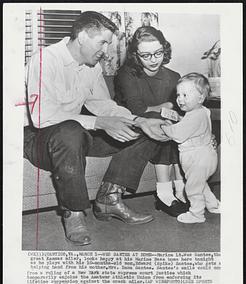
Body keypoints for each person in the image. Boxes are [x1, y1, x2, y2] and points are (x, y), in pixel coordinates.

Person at [24, 11, 172, 246]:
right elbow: (42, 116)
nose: (105, 50)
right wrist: (99, 123)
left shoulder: (92, 67)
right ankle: (73, 212)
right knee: (70, 130)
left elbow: (103, 105)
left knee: (147, 126)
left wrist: (140, 120)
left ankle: (108, 198)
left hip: (79, 135)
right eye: (102, 42)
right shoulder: (45, 59)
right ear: (82, 36)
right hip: (40, 138)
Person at [114, 26, 189, 217]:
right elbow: (137, 110)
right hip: (134, 124)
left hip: (163, 124)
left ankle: (181, 189)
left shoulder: (174, 77)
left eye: (158, 53)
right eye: (146, 55)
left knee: (178, 124)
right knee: (162, 123)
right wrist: (168, 107)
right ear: (135, 56)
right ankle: (164, 193)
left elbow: (183, 110)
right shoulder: (126, 74)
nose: (154, 59)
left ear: (165, 49)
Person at [161, 73, 220, 223]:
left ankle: (196, 214)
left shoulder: (194, 116)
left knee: (192, 188)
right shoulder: (202, 111)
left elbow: (179, 135)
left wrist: (166, 126)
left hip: (197, 159)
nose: (180, 99)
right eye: (178, 94)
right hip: (206, 157)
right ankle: (213, 205)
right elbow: (193, 125)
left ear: (200, 98)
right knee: (201, 184)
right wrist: (179, 119)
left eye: (185, 95)